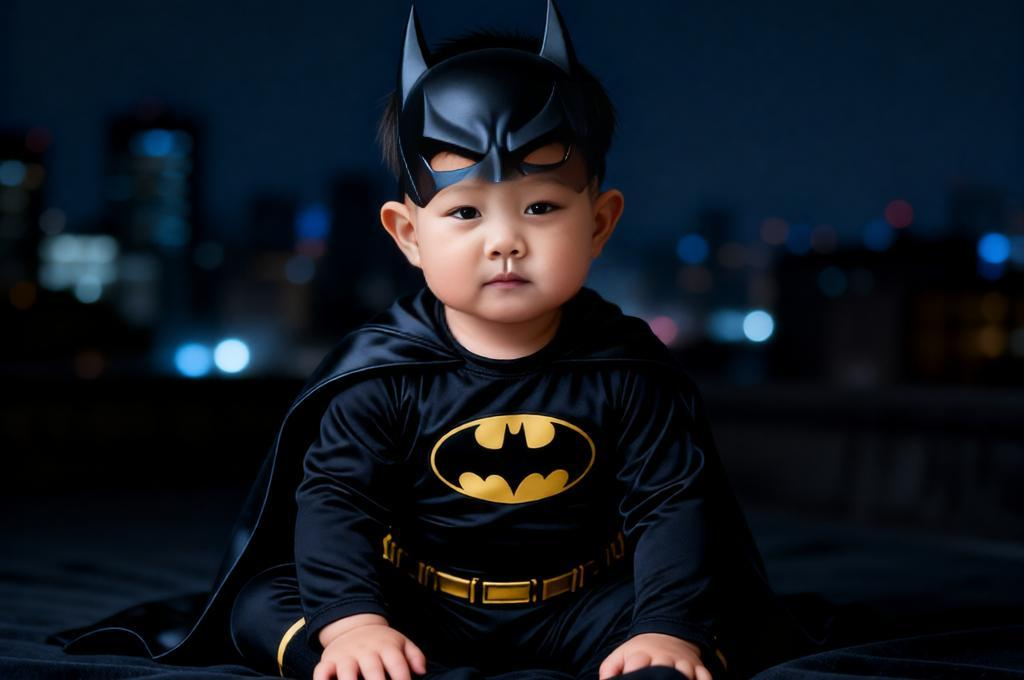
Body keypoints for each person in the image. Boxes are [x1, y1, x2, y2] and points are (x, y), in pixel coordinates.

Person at [50, 1, 830, 678]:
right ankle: (355, 658)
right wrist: (355, 621)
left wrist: (664, 626)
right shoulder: (380, 375)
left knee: (703, 621)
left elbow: (671, 506)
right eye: (465, 212)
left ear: (600, 223)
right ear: (407, 232)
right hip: (415, 602)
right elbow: (335, 502)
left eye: (540, 209)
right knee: (267, 604)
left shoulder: (629, 373)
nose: (504, 242)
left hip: (578, 604)